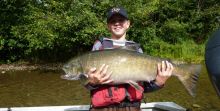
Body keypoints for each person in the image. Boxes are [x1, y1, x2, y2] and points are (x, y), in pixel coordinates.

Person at [85, 7, 174, 111]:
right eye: (113, 21)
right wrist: (92, 82)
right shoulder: (98, 47)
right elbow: (86, 84)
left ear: (128, 24)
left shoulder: (137, 50)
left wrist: (159, 82)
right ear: (108, 26)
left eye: (121, 20)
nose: (117, 23)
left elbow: (144, 88)